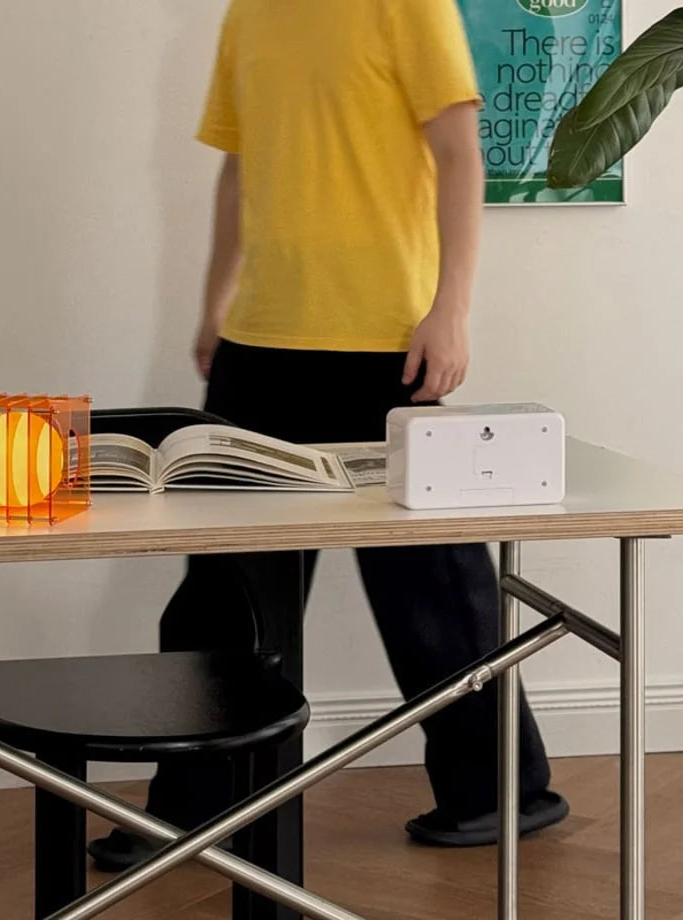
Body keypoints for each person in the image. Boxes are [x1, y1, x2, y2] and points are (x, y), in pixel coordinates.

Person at [89, 0, 568, 868]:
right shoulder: (250, 14)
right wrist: (213, 306)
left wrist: (451, 312)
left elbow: (460, 152)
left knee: (432, 587)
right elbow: (239, 169)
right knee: (223, 593)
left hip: (383, 342)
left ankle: (502, 791)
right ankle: (194, 807)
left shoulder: (407, 5)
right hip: (258, 347)